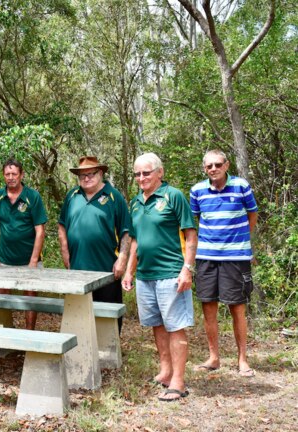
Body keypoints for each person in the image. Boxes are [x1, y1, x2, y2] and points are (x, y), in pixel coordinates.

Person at [122, 152, 197, 402]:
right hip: (146, 275)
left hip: (171, 274)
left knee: (175, 326)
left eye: (146, 172)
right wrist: (130, 271)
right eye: (137, 174)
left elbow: (190, 235)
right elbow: (135, 241)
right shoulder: (135, 202)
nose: (141, 178)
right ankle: (165, 372)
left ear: (160, 172)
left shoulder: (173, 196)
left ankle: (178, 381)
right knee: (157, 324)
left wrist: (187, 268)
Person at [190, 150, 258, 377]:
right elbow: (196, 220)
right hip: (206, 257)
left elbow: (252, 214)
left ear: (226, 165)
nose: (213, 169)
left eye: (218, 164)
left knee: (237, 307)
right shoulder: (197, 191)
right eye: (209, 166)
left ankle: (242, 359)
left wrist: (241, 239)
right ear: (204, 168)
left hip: (235, 257)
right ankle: (214, 357)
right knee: (208, 307)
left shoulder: (241, 186)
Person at [58, 156, 130, 333]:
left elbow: (126, 231)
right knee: (78, 311)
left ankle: (110, 351)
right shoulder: (73, 196)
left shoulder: (114, 197)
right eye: (82, 175)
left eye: (91, 174)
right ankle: (81, 348)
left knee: (108, 312)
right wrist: (65, 251)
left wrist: (122, 258)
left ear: (101, 173)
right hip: (78, 267)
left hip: (106, 269)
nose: (86, 178)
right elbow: (62, 225)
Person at [0, 158, 47, 330]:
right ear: (3, 176)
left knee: (30, 299)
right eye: (7, 174)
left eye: (14, 174)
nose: (11, 177)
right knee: (1, 299)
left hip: (29, 259)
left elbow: (40, 231)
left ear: (21, 175)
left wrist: (34, 261)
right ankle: (1, 340)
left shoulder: (32, 196)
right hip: (4, 259)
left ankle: (29, 335)